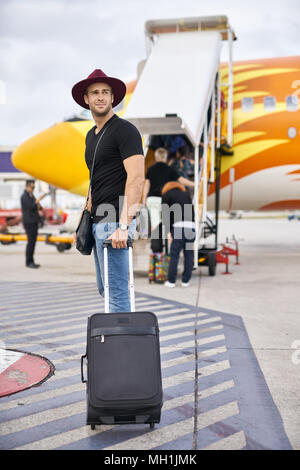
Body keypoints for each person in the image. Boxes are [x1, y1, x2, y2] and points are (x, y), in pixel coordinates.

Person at [72, 69, 144, 313]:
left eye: (105, 92)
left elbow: (136, 179)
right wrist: (83, 218)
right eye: (95, 93)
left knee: (117, 295)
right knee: (106, 291)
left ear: (113, 98)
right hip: (97, 223)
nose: (100, 97)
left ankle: (123, 350)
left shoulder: (125, 131)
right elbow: (95, 180)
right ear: (86, 99)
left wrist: (124, 226)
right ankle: (119, 347)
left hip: (115, 222)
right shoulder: (90, 137)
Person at [142, 147, 194, 234]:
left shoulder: (150, 169)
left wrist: (144, 198)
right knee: (166, 223)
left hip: (152, 199)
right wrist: (194, 184)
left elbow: (146, 184)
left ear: (156, 157)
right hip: (165, 199)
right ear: (165, 158)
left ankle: (156, 245)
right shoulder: (169, 169)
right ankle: (164, 245)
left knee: (155, 223)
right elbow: (181, 180)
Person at [161, 181, 195, 287]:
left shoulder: (167, 195)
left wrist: (169, 232)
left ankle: (171, 281)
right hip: (191, 227)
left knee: (174, 255)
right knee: (189, 255)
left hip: (179, 227)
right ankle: (186, 281)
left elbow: (166, 215)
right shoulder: (186, 194)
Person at [20, 179, 48, 268]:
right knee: (30, 242)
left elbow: (38, 207)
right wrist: (37, 201)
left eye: (34, 187)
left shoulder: (31, 196)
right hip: (29, 222)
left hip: (34, 221)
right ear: (27, 186)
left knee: (33, 242)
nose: (33, 189)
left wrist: (38, 205)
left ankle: (31, 260)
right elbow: (30, 206)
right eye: (32, 187)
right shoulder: (24, 196)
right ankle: (29, 262)